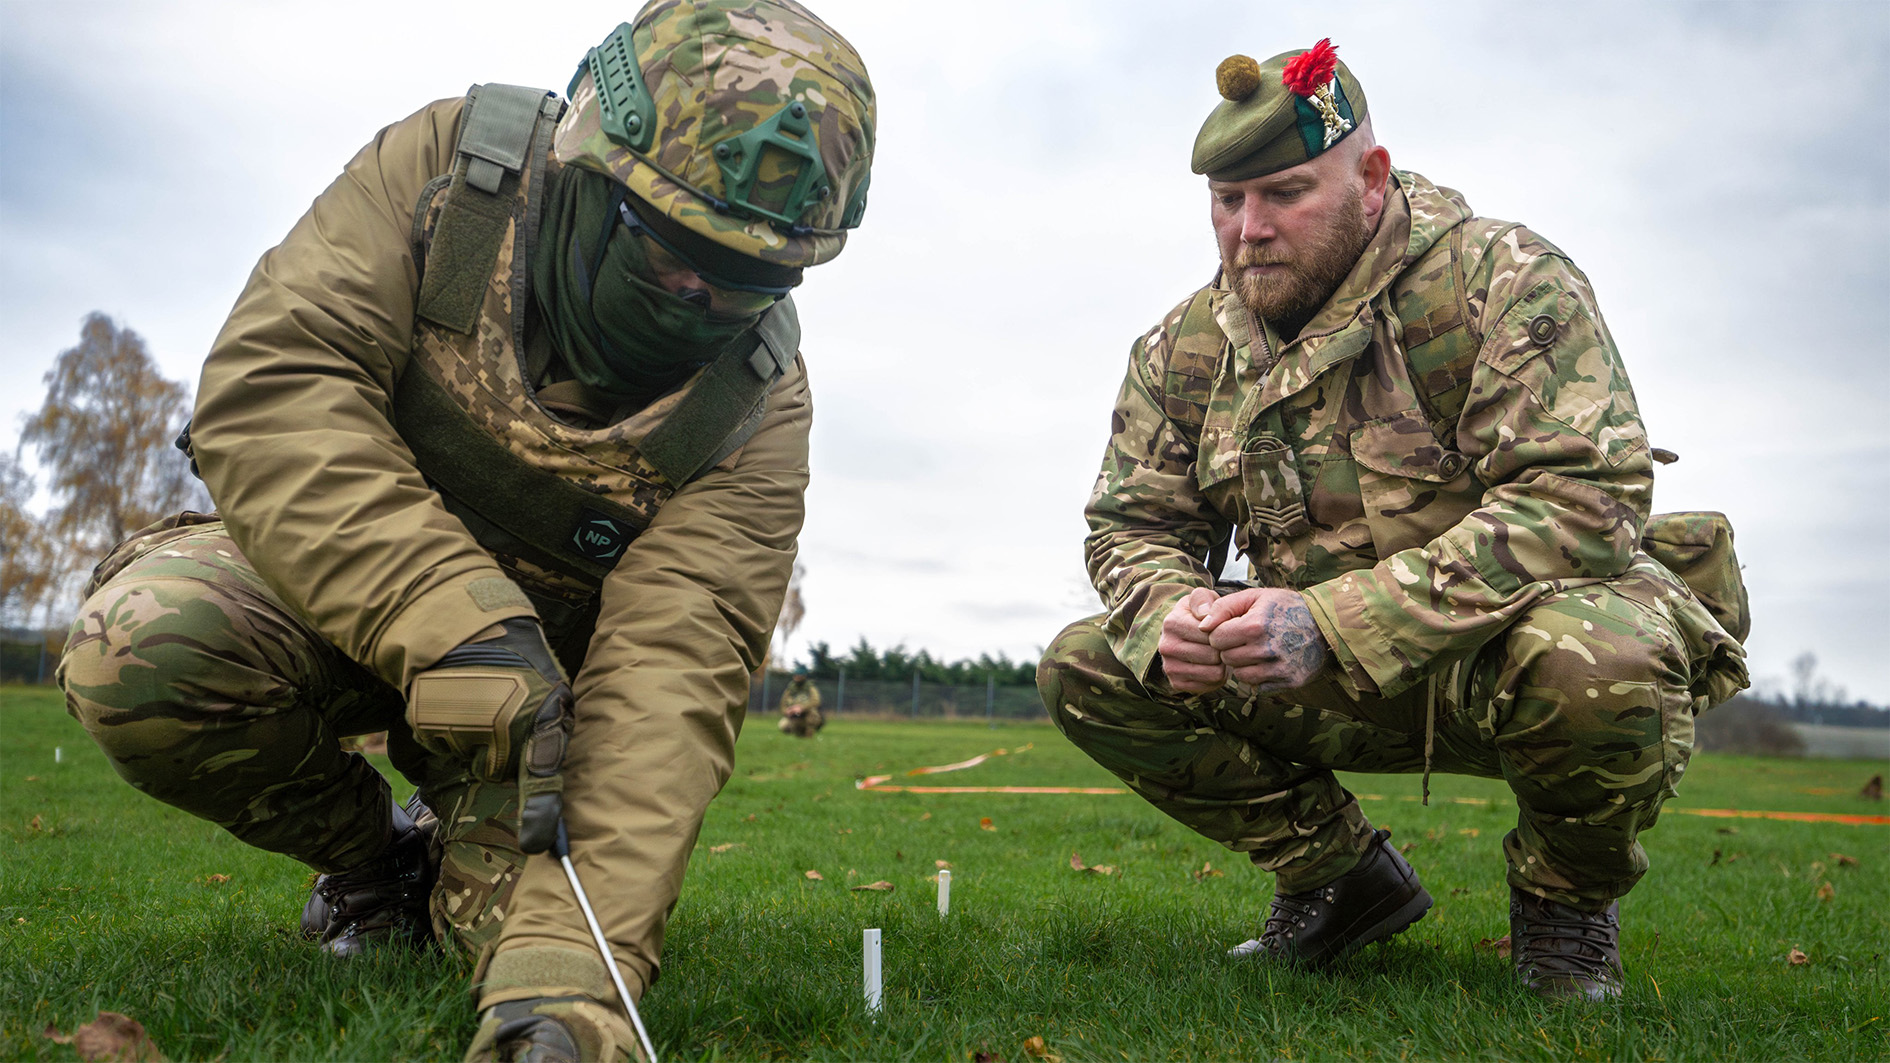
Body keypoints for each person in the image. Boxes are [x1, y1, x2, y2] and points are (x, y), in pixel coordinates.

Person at [55, 2, 874, 1058]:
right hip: (326, 605)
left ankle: (465, 874)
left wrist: (569, 989)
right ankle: (376, 862)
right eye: (668, 244)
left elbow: (672, 674)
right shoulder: (450, 184)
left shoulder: (752, 404)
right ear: (589, 165)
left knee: (517, 952)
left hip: (533, 725)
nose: (698, 292)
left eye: (749, 278)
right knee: (144, 646)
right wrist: (457, 625)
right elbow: (278, 390)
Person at [1036, 40, 1749, 1002]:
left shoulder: (1501, 279)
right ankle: (1339, 880)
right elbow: (1132, 522)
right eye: (1227, 200)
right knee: (1092, 664)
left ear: (1371, 178)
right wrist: (1173, 612)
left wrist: (1334, 622)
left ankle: (1565, 906)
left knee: (1602, 660)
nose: (1250, 229)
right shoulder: (1185, 347)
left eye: (1286, 193)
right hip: (1307, 674)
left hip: (1500, 660)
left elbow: (1581, 500)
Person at [777, 666, 824, 736]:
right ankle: (797, 731)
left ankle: (809, 731)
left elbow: (816, 701)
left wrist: (801, 708)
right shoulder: (790, 689)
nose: (797, 677)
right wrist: (787, 711)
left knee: (812, 716)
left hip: (808, 714)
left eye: (799, 676)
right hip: (794, 715)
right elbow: (783, 703)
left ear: (804, 677)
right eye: (796, 675)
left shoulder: (810, 688)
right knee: (783, 725)